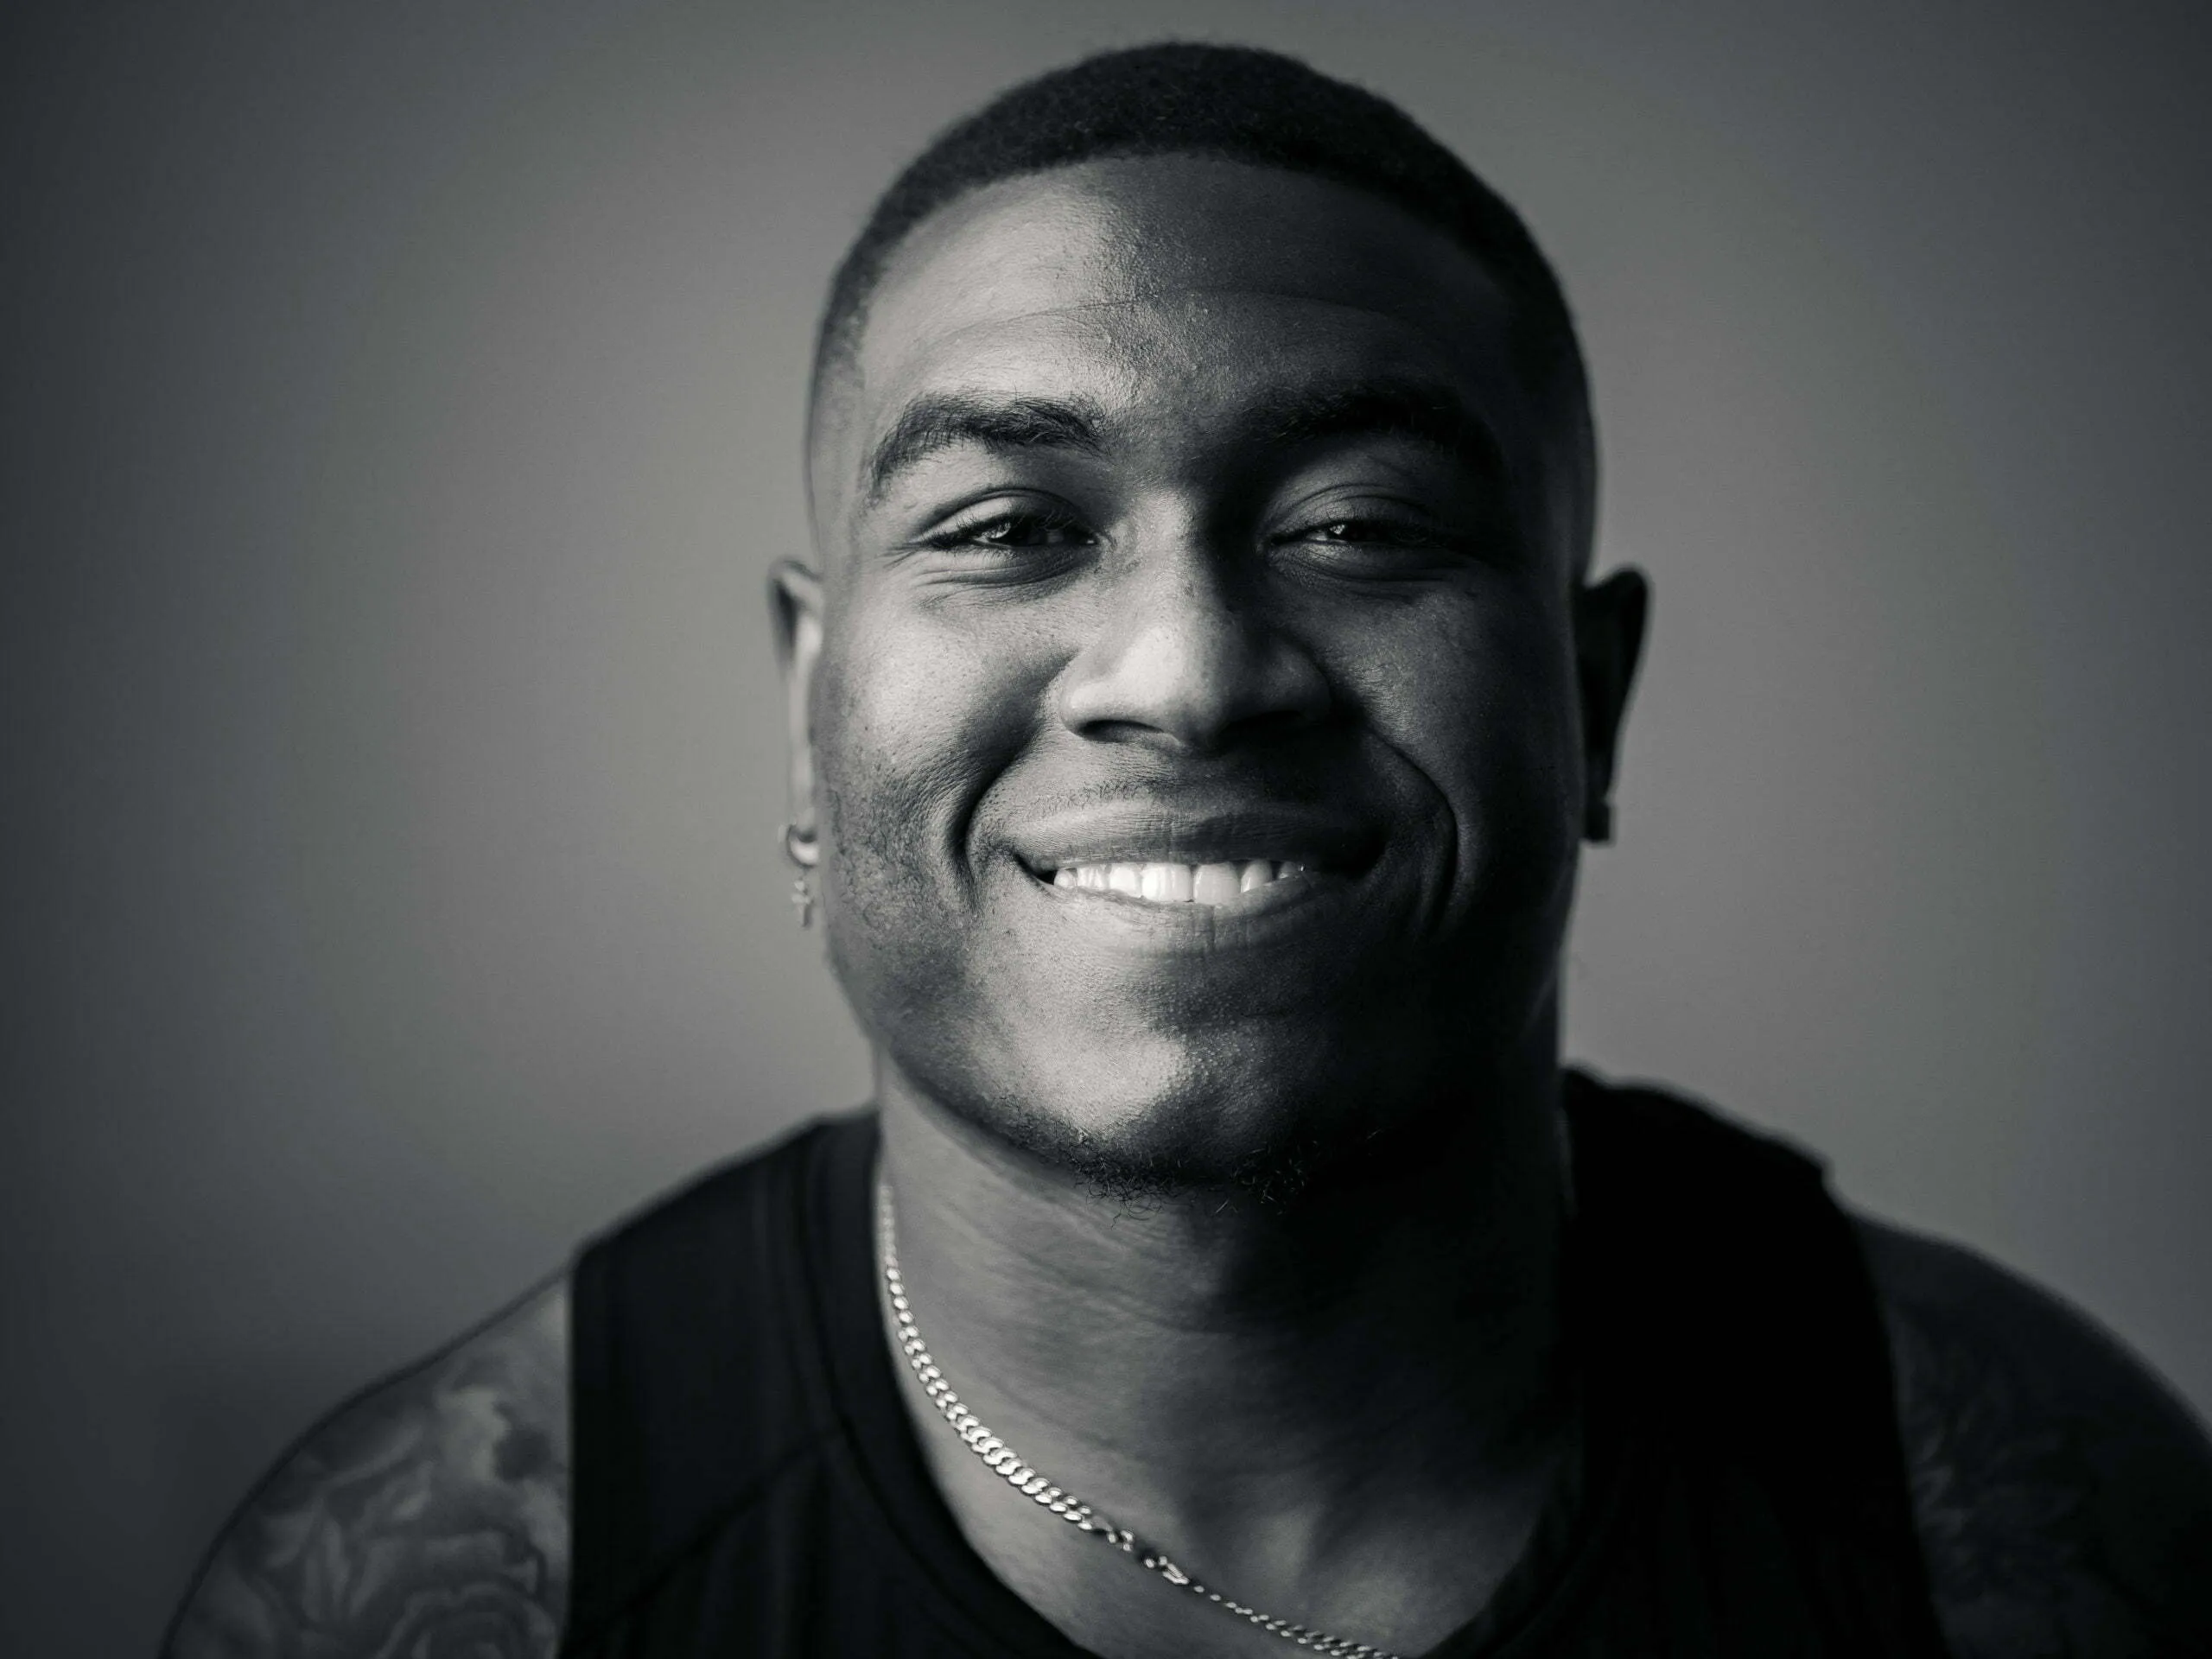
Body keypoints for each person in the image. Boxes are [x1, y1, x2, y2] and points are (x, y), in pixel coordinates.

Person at [165, 43, 2212, 1659]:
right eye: (1007, 528)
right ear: (811, 707)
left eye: (1355, 527)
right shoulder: (465, 1580)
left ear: (1590, 697)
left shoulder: (2012, 1519)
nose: (1192, 674)